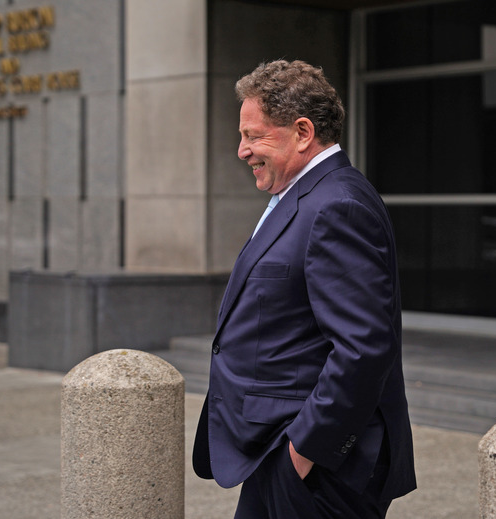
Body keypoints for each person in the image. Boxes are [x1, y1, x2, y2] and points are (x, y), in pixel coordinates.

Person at [193, 59, 416, 519]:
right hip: (280, 453)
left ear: (301, 131)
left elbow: (363, 349)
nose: (242, 150)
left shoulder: (337, 205)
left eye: (253, 136)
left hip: (318, 468)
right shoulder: (304, 196)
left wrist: (301, 453)